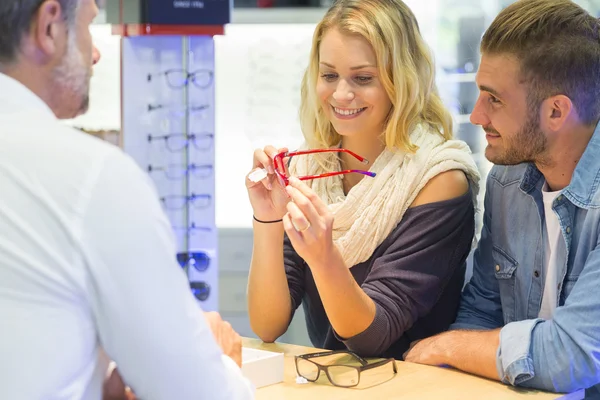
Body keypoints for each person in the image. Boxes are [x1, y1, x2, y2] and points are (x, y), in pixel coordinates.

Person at [0, 1, 253, 399]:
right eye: (86, 27)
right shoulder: (90, 177)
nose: (95, 53)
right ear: (49, 27)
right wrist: (219, 360)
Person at [246, 0, 481, 360]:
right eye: (329, 75)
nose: (341, 94)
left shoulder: (440, 178)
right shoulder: (312, 170)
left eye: (364, 78)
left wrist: (324, 257)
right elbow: (267, 325)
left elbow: (371, 337)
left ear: (401, 78)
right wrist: (267, 218)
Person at [404, 0, 600, 397]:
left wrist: (447, 347)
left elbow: (572, 356)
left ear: (557, 112)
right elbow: (481, 310)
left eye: (493, 99)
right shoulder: (507, 182)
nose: (477, 116)